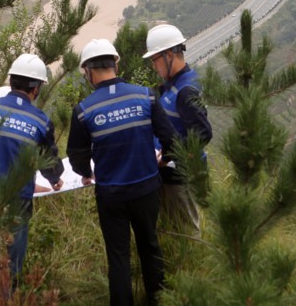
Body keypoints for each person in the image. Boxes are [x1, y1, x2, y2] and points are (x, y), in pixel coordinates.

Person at [67, 39, 177, 306]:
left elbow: (77, 158)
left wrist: (86, 172)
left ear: (88, 72)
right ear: (116, 64)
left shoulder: (83, 111)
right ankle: (158, 301)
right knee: (150, 247)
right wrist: (163, 161)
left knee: (118, 257)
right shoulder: (146, 96)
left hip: (111, 195)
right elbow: (171, 141)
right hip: (147, 189)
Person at [0, 54, 64, 285]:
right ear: (37, 88)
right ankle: (8, 294)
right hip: (17, 199)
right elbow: (49, 159)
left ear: (11, 81)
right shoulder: (40, 120)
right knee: (13, 260)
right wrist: (55, 179)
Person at [143, 24, 212, 236]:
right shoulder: (175, 83)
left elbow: (202, 134)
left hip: (180, 174)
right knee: (172, 228)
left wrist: (167, 157)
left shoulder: (185, 91)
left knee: (188, 231)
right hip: (169, 170)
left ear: (169, 55)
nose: (153, 66)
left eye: (155, 59)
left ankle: (195, 257)